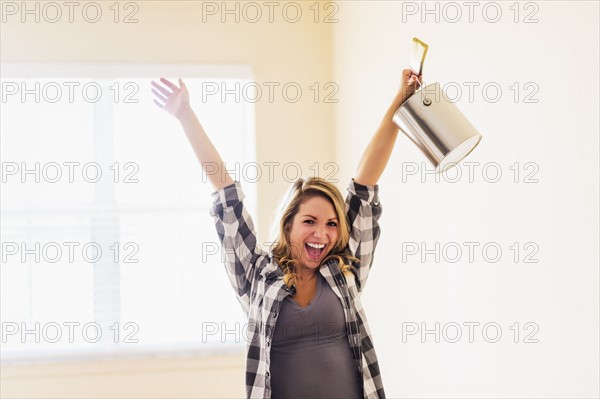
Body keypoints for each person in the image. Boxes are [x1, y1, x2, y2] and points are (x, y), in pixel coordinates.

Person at [151, 69, 423, 399]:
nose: (322, 234)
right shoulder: (257, 274)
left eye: (332, 224)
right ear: (288, 224)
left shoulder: (345, 266)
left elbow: (365, 181)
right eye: (310, 221)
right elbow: (226, 194)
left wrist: (400, 99)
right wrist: (185, 114)